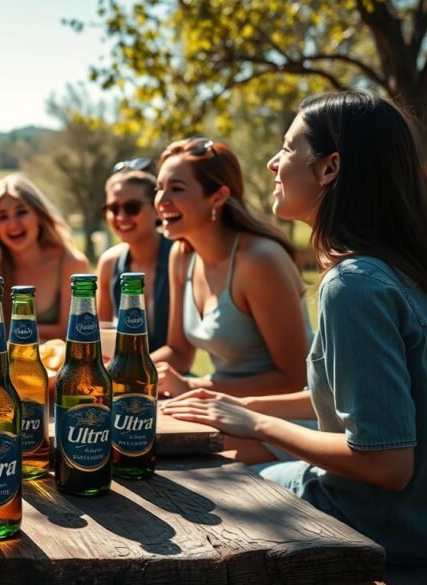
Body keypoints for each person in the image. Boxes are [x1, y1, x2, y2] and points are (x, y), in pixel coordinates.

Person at [163, 90, 427, 565]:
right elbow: (356, 398)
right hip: (389, 512)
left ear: (329, 168)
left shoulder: (355, 286)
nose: (271, 163)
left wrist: (257, 422)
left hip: (380, 526)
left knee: (194, 497)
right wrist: (236, 404)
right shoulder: (393, 271)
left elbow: (386, 463)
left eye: (287, 148)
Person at [150, 138, 311, 402]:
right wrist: (118, 372)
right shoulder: (182, 254)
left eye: (177, 189)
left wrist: (192, 388)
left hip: (285, 418)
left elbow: (294, 379)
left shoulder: (259, 261)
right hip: (223, 411)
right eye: (159, 188)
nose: (161, 201)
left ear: (218, 196)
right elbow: (179, 351)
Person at [0, 173, 89, 341]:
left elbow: (71, 332)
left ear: (39, 215)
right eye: (2, 217)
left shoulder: (71, 264)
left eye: (21, 212)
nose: (13, 224)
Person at [96, 167, 174, 349]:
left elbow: (180, 351)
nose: (121, 217)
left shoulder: (180, 257)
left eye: (132, 208)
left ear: (157, 210)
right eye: (113, 209)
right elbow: (102, 334)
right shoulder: (109, 263)